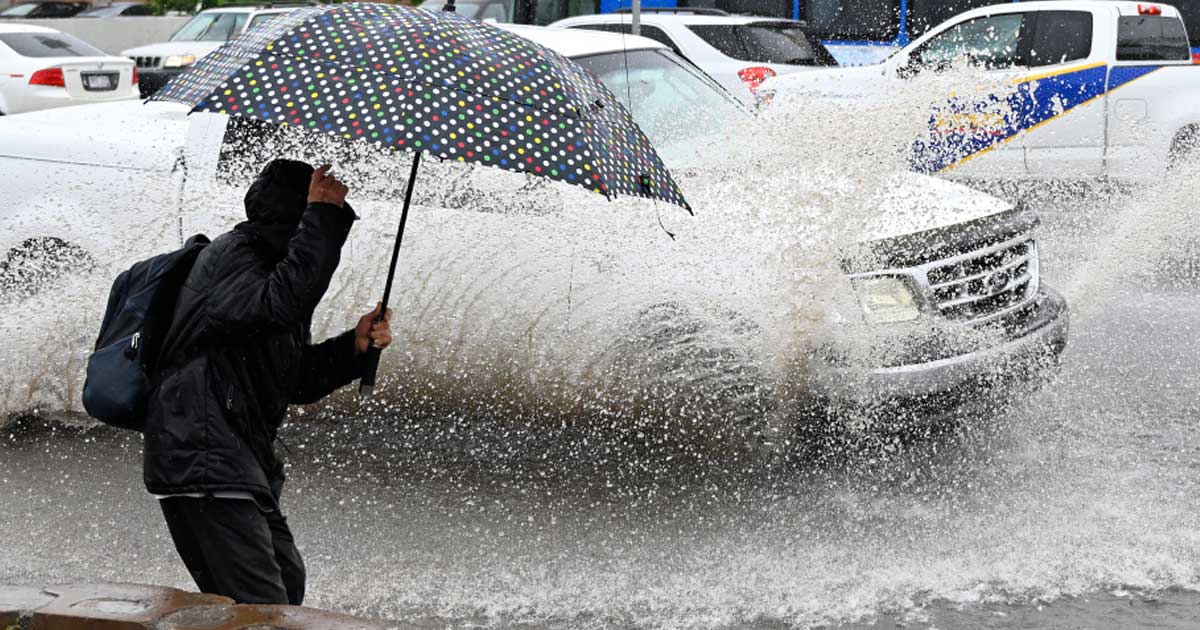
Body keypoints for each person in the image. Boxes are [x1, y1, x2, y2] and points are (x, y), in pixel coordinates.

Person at [143, 159, 392, 605]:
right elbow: (279, 303)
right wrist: (322, 216)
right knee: (262, 607)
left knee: (285, 587)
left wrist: (352, 348)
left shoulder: (270, 271)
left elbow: (293, 380)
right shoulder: (236, 257)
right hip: (203, 457)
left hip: (236, 459)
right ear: (295, 218)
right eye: (314, 219)